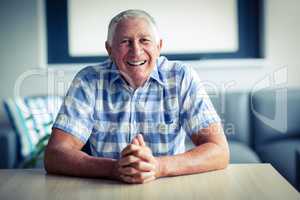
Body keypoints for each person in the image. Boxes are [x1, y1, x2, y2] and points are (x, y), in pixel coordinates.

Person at [44, 9, 229, 184]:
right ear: (109, 50)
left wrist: (159, 167)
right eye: (125, 42)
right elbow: (55, 154)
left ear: (159, 46)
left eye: (144, 40)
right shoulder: (88, 80)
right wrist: (113, 169)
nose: (136, 50)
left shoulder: (181, 77)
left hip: (169, 188)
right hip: (105, 188)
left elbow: (219, 150)